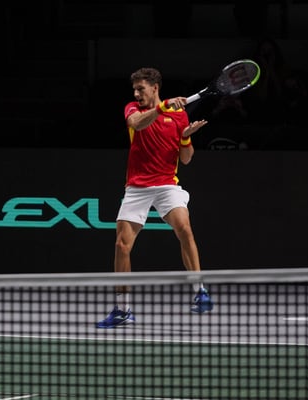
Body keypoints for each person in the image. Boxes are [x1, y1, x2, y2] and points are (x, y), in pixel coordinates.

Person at [96, 67, 211, 329]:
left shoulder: (179, 115)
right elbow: (136, 124)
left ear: (155, 88)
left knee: (184, 228)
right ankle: (123, 310)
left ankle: (200, 291)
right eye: (135, 90)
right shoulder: (133, 109)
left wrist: (185, 138)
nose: (137, 94)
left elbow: (186, 158)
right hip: (137, 187)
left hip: (167, 185)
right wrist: (162, 108)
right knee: (121, 246)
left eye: (141, 89)